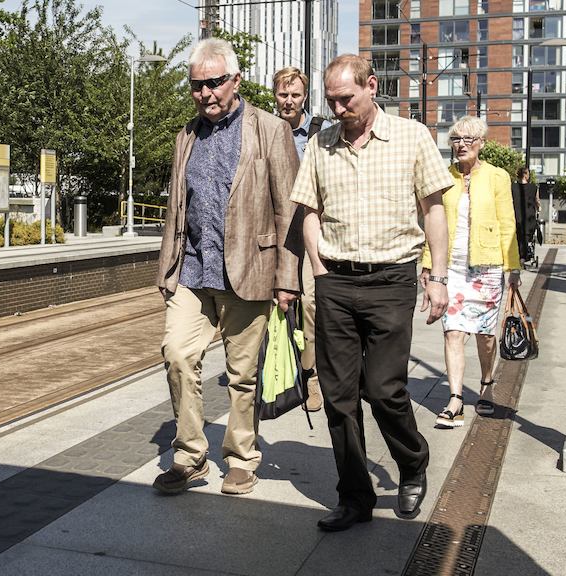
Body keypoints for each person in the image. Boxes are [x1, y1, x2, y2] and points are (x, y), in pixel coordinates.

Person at [290, 54, 453, 531]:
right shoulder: (321, 143)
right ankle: (355, 496)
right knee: (340, 398)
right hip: (336, 281)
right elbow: (309, 209)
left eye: (347, 98)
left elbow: (434, 211)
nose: (338, 108)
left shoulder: (412, 136)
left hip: (391, 279)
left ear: (372, 86)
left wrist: (437, 276)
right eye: (332, 99)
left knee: (384, 389)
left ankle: (412, 461)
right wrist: (319, 266)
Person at [154, 38, 302, 496]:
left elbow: (289, 212)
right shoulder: (187, 134)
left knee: (243, 376)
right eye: (197, 85)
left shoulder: (270, 130)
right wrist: (166, 267)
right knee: (177, 354)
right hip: (194, 272)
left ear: (235, 81)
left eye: (215, 83)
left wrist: (288, 279)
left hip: (250, 272)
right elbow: (178, 205)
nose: (206, 93)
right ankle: (190, 457)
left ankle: (240, 457)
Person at [422, 116, 521, 426]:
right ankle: (455, 399)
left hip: (488, 266)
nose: (461, 144)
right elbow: (431, 222)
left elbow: (508, 223)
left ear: (481, 143)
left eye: (467, 139)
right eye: (455, 139)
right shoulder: (442, 177)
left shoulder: (497, 177)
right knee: (452, 330)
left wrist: (513, 267)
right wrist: (428, 263)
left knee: (484, 336)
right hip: (451, 266)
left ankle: (487, 384)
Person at [272, 66, 334, 413]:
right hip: (278, 234)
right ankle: (275, 369)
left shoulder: (321, 131)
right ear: (275, 95)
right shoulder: (265, 130)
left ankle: (311, 376)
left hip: (313, 230)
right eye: (283, 94)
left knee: (310, 305)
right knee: (274, 306)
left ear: (304, 97)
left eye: (295, 95)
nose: (289, 101)